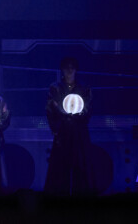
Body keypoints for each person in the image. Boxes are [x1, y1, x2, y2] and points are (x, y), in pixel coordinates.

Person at [44, 57, 95, 195]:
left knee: (81, 162)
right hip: (63, 131)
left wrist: (78, 116)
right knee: (61, 163)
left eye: (72, 67)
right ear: (62, 69)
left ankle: (82, 194)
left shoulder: (84, 87)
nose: (69, 70)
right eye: (67, 67)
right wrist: (56, 127)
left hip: (79, 131)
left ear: (76, 69)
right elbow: (50, 108)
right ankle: (59, 195)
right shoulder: (55, 88)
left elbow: (88, 107)